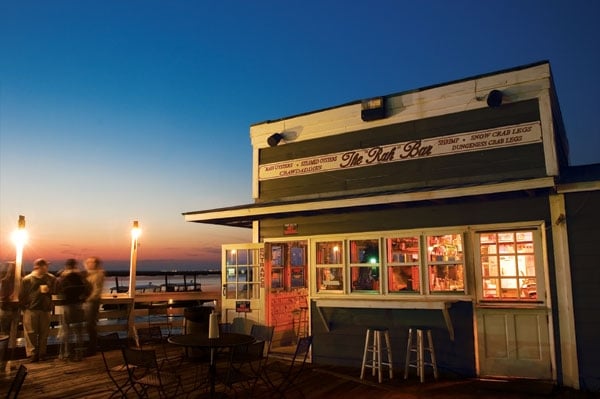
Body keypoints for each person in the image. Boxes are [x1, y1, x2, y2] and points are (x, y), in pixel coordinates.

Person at [19, 258, 56, 362]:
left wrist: (50, 290)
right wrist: (25, 307)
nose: (47, 268)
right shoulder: (27, 279)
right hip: (31, 309)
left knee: (44, 333)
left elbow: (56, 289)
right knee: (31, 333)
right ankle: (33, 354)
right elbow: (21, 295)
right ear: (38, 267)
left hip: (45, 309)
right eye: (45, 266)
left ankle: (42, 354)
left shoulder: (51, 278)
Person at [56, 258, 90, 360]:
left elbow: (58, 290)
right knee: (78, 331)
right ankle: (78, 353)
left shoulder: (63, 277)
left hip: (67, 305)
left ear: (66, 266)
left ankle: (66, 353)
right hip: (78, 305)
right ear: (75, 265)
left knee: (66, 330)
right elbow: (87, 290)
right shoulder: (81, 277)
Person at [83, 256, 104, 356]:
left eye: (91, 262)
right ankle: (92, 346)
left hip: (92, 302)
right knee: (89, 325)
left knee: (91, 325)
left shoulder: (98, 275)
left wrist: (88, 299)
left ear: (95, 264)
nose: (88, 264)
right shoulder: (89, 274)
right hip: (89, 302)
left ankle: (92, 347)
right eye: (87, 262)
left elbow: (97, 290)